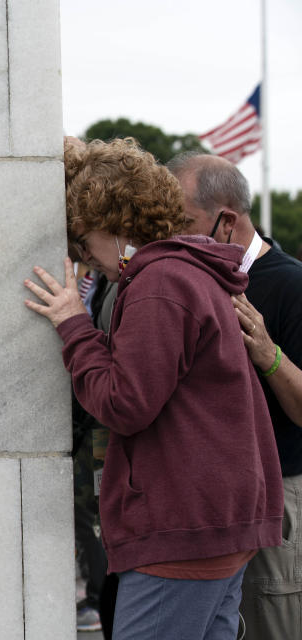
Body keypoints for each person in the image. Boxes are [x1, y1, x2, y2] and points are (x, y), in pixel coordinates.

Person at [24, 138, 283, 639]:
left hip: (182, 530)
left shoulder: (160, 283)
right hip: (213, 523)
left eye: (82, 240)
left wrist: (75, 326)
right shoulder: (190, 271)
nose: (83, 258)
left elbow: (125, 404)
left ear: (112, 222)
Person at [168, 152, 302, 638]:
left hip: (276, 494)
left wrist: (268, 353)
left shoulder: (289, 282)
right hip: (214, 503)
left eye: (181, 221)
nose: (167, 233)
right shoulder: (191, 279)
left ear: (226, 221)